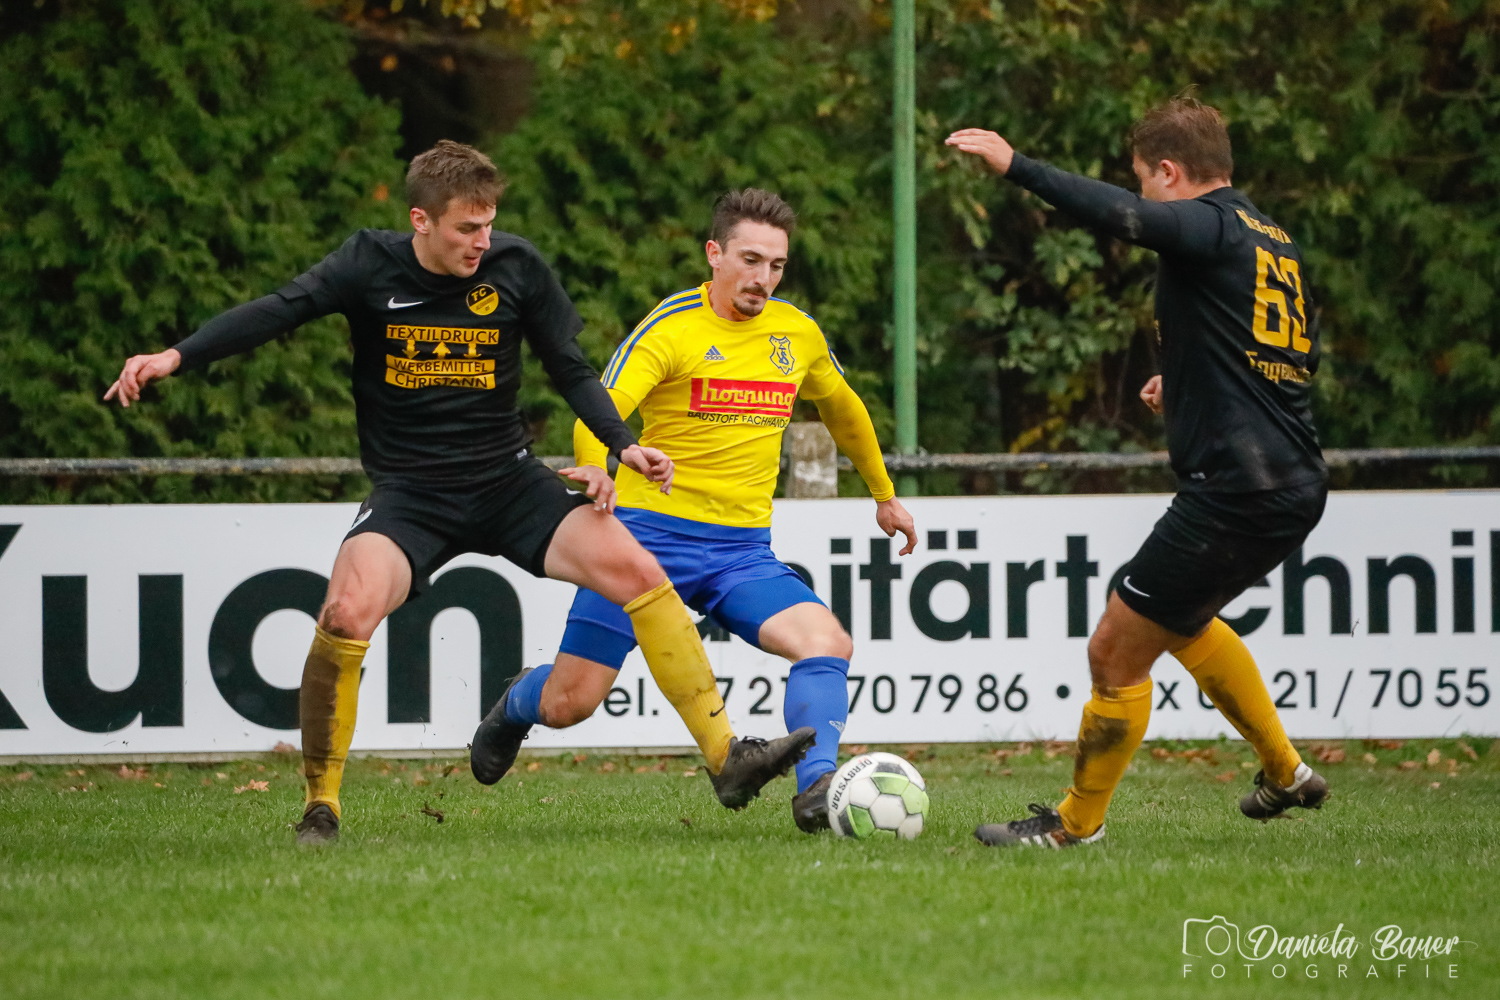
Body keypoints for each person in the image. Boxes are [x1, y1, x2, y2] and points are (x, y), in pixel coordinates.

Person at [104, 142, 814, 845]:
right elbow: (278, 310)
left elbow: (570, 368)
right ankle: (322, 805)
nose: (482, 241)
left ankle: (726, 760)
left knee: (640, 573)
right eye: (467, 228)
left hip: (507, 479)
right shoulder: (366, 263)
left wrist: (622, 444)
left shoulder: (516, 266)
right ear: (421, 220)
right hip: (411, 493)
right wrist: (175, 355)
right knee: (345, 613)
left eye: (489, 225)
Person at [946, 98, 1330, 848]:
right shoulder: (1271, 239)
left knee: (1114, 651)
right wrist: (1181, 382)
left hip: (1239, 489)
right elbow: (1292, 354)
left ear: (1170, 172)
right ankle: (1285, 772)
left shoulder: (1209, 224)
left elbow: (1127, 218)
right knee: (1182, 624)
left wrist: (1018, 166)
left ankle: (1074, 826)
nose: (1144, 194)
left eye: (1145, 179)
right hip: (1286, 479)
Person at [470, 188, 916, 832]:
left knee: (827, 643)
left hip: (740, 552)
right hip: (642, 543)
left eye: (776, 265)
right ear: (715, 254)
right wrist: (596, 464)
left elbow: (843, 409)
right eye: (750, 260)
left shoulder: (797, 333)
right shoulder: (672, 326)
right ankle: (517, 702)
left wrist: (884, 495)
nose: (763, 278)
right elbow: (600, 409)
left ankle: (817, 789)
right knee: (571, 703)